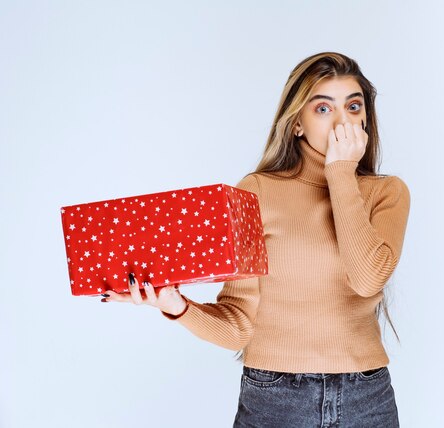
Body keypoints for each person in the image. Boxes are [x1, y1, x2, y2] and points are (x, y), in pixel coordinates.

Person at [102, 51, 411, 427]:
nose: (343, 121)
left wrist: (340, 173)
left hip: (366, 398)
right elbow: (237, 326)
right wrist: (176, 305)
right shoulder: (256, 191)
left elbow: (366, 279)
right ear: (296, 123)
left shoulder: (386, 193)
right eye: (324, 109)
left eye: (353, 106)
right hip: (274, 399)